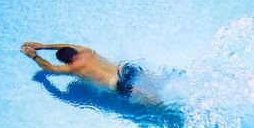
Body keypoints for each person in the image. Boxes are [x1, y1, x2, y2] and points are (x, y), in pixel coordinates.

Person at [21, 41, 159, 104]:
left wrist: (34, 56)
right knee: (159, 82)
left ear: (68, 61)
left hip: (118, 85)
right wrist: (43, 46)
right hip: (125, 70)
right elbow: (66, 46)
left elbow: (49, 68)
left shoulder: (75, 67)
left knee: (157, 103)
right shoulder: (86, 50)